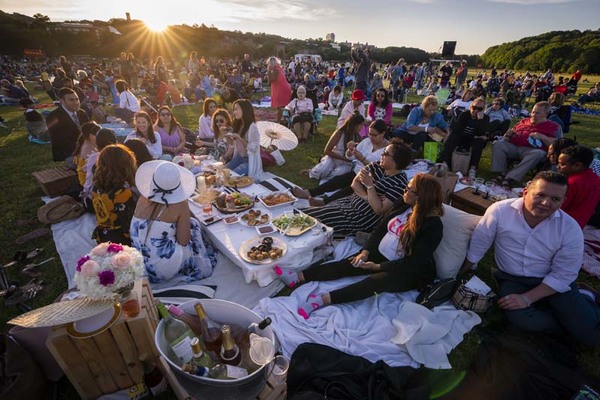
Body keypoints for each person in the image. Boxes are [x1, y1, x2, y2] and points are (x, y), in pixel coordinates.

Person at [460, 172, 600, 345]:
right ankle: (569, 319)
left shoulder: (570, 229)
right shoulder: (500, 211)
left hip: (552, 283)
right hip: (512, 279)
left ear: (563, 201)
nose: (546, 203)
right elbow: (479, 244)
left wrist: (527, 299)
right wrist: (458, 273)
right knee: (522, 320)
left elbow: (563, 274)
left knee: (591, 337)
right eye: (540, 195)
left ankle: (585, 298)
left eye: (555, 199)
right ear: (525, 192)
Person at [277, 173, 444, 319]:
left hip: (409, 270)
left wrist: (378, 267)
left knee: (375, 282)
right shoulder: (404, 205)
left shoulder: (433, 226)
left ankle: (322, 300)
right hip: (384, 254)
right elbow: (380, 229)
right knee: (351, 263)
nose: (404, 191)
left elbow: (415, 262)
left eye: (409, 189)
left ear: (421, 196)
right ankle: (298, 277)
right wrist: (365, 252)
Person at [130, 160, 217, 284]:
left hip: (142, 265)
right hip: (163, 269)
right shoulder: (180, 204)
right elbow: (184, 241)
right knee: (194, 226)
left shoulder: (143, 198)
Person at [302, 141, 412, 236]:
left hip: (359, 218)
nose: (382, 155)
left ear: (396, 161)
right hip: (348, 202)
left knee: (311, 217)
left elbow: (379, 209)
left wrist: (369, 186)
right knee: (310, 213)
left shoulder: (400, 184)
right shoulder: (376, 166)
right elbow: (355, 183)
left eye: (386, 154)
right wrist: (369, 197)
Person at [293, 119, 389, 206]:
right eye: (369, 134)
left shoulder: (387, 149)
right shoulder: (367, 141)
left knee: (348, 190)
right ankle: (309, 192)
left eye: (374, 135)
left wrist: (362, 159)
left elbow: (380, 169)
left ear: (383, 133)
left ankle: (324, 202)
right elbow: (349, 156)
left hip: (370, 178)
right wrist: (350, 150)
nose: (371, 137)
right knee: (337, 181)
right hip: (357, 172)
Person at [491, 101, 561, 187]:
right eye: (533, 112)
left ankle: (510, 177)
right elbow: (510, 134)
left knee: (538, 153)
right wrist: (508, 135)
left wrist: (543, 137)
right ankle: (501, 172)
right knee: (497, 144)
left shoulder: (554, 126)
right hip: (514, 146)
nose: (533, 115)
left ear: (546, 114)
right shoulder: (524, 121)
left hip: (532, 150)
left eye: (537, 113)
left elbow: (558, 143)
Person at [91, 144, 138, 245]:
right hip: (120, 243)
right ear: (125, 165)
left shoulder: (96, 187)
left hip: (102, 236)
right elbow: (128, 227)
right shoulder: (123, 194)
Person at [302, 114, 365, 181]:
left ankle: (325, 177)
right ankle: (314, 171)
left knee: (338, 174)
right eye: (361, 125)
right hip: (333, 157)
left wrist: (349, 159)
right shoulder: (340, 133)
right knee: (323, 169)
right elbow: (327, 151)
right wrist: (344, 158)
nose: (362, 127)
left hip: (346, 163)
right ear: (355, 125)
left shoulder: (358, 137)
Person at [441, 97, 490, 172]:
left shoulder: (485, 118)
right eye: (474, 107)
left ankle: (472, 168)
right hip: (462, 137)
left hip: (472, 139)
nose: (476, 110)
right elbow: (457, 129)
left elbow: (482, 132)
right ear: (471, 106)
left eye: (479, 109)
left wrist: (480, 120)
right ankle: (445, 163)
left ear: (483, 110)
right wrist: (476, 135)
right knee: (452, 138)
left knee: (479, 142)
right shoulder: (464, 114)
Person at [556, 145, 600, 229]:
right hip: (580, 225)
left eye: (562, 164)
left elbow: (558, 207)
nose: (558, 166)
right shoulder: (597, 180)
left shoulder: (570, 183)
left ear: (577, 165)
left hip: (560, 224)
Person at [46, 87, 91, 163]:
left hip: (87, 148)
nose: (76, 102)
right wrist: (82, 149)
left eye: (77, 99)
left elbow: (90, 131)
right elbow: (60, 141)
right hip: (67, 153)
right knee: (91, 163)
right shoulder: (53, 117)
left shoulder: (82, 113)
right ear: (62, 101)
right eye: (71, 100)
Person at [226, 99, 262, 179]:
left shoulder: (253, 127)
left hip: (249, 160)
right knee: (224, 172)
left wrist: (239, 138)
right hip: (239, 157)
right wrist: (230, 139)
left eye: (236, 109)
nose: (234, 112)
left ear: (244, 110)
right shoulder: (239, 124)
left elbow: (254, 148)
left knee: (232, 177)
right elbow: (233, 145)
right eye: (233, 109)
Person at [73, 122, 101, 187]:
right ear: (91, 136)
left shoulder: (86, 143)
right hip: (86, 182)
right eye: (98, 135)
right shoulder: (89, 149)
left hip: (86, 176)